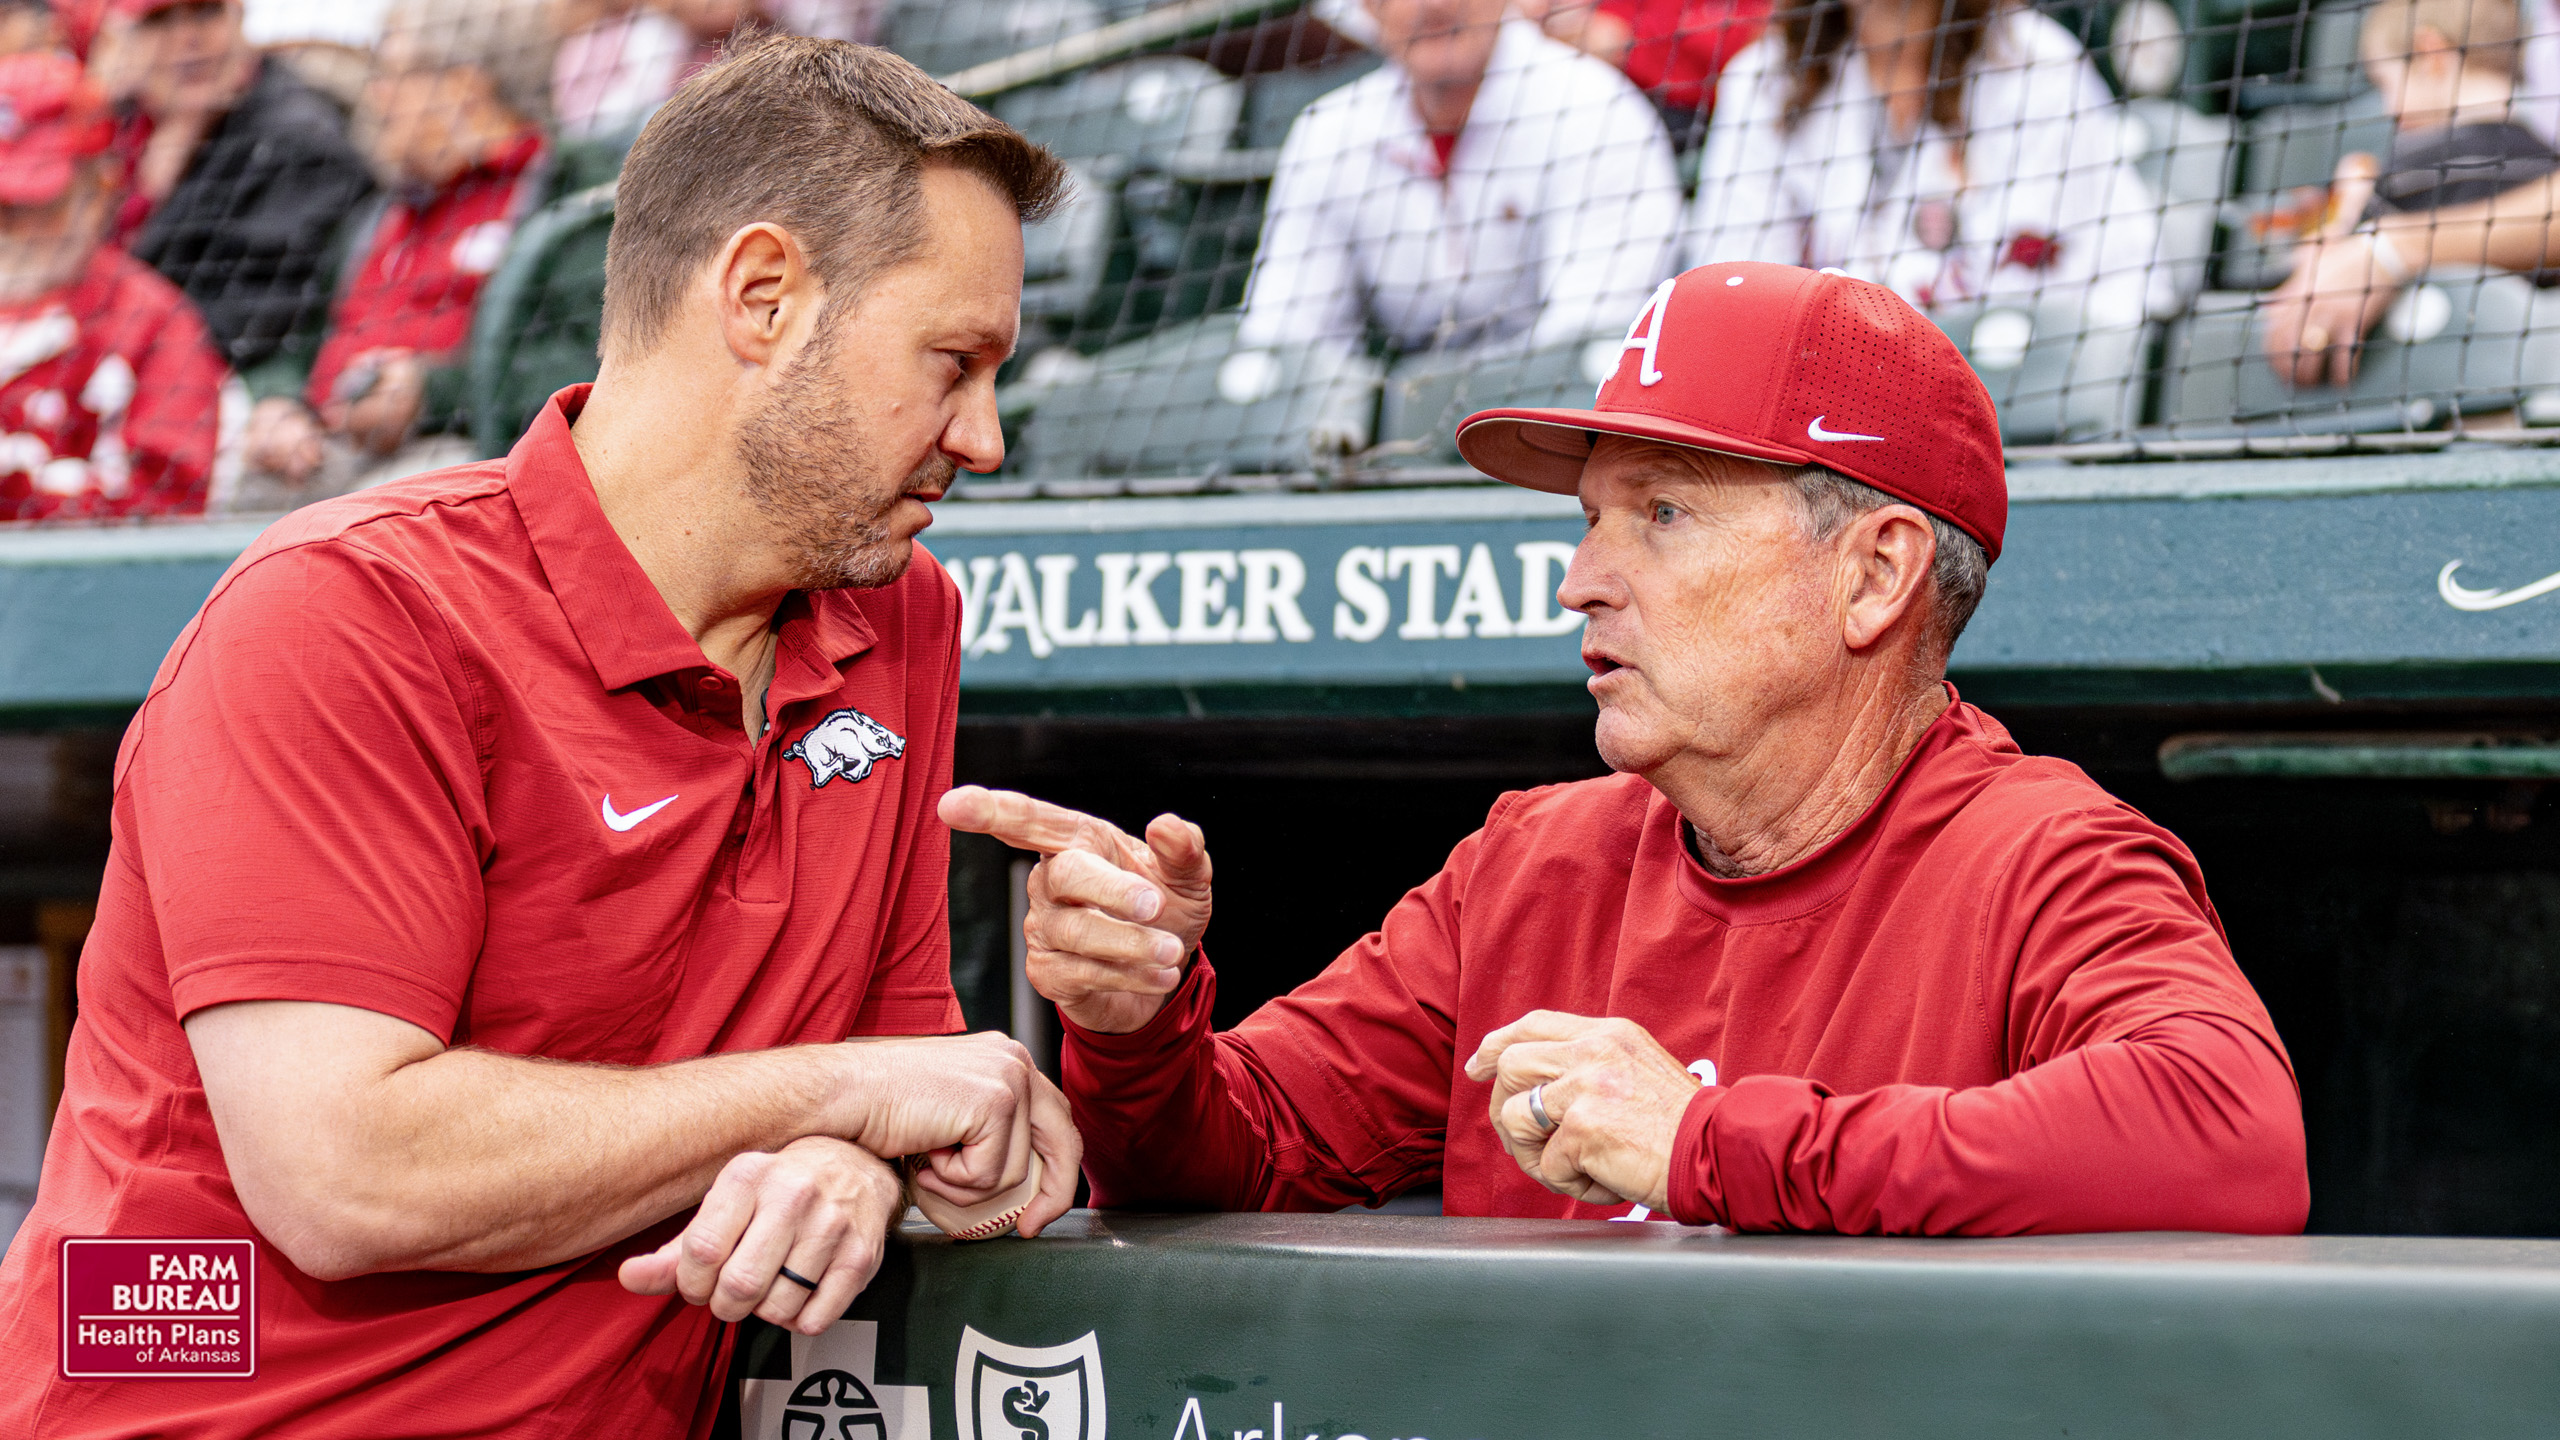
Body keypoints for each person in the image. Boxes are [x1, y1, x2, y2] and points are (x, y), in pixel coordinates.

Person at [0, 34, 1074, 1437]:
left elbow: (920, 1088)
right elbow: (344, 1175)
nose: (985, 438)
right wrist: (839, 1098)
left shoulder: (899, 611)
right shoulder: (349, 609)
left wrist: (864, 1158)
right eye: (953, 362)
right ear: (762, 297)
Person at [949, 261, 2310, 1235]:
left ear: (1876, 574)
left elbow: (2229, 1134)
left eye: (1662, 513)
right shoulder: (1532, 862)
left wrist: (1712, 1146)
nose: (1580, 583)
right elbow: (1236, 1156)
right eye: (1589, 519)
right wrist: (1135, 1025)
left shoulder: (2043, 855)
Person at [1235, 0, 1683, 367]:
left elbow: (1590, 344)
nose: (1433, 5)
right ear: (1368, 8)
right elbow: (1285, 342)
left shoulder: (1593, 107)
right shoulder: (1327, 132)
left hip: (1551, 430)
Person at [234, 0, 554, 505]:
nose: (376, 96)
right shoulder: (381, 211)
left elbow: (584, 359)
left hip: (462, 454)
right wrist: (281, 404)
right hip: (323, 451)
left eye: (393, 76)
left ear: (465, 87)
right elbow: (297, 344)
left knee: (403, 496)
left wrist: (432, 392)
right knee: (248, 484)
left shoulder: (558, 189)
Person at [1687, 0, 2174, 325]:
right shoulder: (1765, 80)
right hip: (1825, 403)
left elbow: (2092, 286)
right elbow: (1732, 290)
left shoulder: (2037, 64)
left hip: (2017, 390)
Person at [2263, 0, 2559, 385]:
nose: (2389, 109)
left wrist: (2346, 207)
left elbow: (2317, 268)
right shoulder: (2543, 159)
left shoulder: (2413, 170)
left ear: (2430, 54)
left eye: (2386, 84)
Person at [0, 51, 232, 520]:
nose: (11, 229)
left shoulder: (152, 321)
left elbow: (167, 507)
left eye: (36, 206)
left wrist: (17, 486)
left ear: (99, 191)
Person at [87, 0, 374, 373]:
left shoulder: (298, 144)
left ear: (239, 18)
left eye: (205, 12)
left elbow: (239, 331)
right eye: (159, 21)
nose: (188, 39)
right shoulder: (122, 127)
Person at [1520, 0, 1772, 147]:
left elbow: (1729, 48)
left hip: (1691, 119)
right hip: (1615, 92)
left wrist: (1630, 42)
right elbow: (1602, 27)